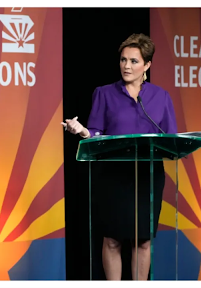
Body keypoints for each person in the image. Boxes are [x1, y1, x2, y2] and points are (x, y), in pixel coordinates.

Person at [61, 33, 177, 280]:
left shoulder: (161, 97)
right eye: (123, 60)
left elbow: (171, 139)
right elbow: (94, 131)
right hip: (112, 176)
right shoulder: (104, 93)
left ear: (147, 65)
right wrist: (82, 131)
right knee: (112, 239)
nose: (126, 66)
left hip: (147, 176)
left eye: (134, 61)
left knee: (142, 240)